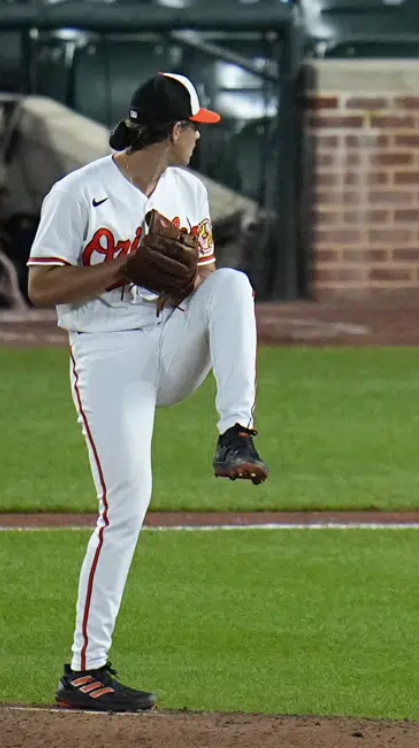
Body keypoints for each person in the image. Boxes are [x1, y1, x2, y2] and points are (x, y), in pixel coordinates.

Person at [25, 72, 270, 713]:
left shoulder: (189, 191)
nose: (199, 137)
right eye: (195, 126)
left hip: (168, 335)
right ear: (172, 130)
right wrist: (120, 268)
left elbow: (206, 283)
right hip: (106, 353)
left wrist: (177, 278)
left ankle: (235, 430)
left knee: (234, 286)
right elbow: (41, 288)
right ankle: (85, 670)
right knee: (127, 505)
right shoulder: (78, 193)